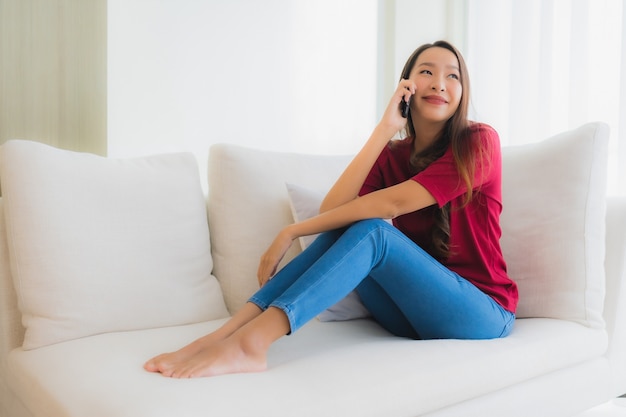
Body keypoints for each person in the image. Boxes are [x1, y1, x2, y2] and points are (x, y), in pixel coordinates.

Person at [144, 40, 518, 378]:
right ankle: (225, 333)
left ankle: (251, 345)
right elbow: (334, 209)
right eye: (426, 72)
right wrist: (384, 129)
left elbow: (393, 202)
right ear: (406, 87)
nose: (439, 83)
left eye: (452, 76)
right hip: (410, 316)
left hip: (480, 312)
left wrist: (291, 231)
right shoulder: (395, 154)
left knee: (373, 231)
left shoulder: (479, 141)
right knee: (352, 223)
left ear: (462, 91)